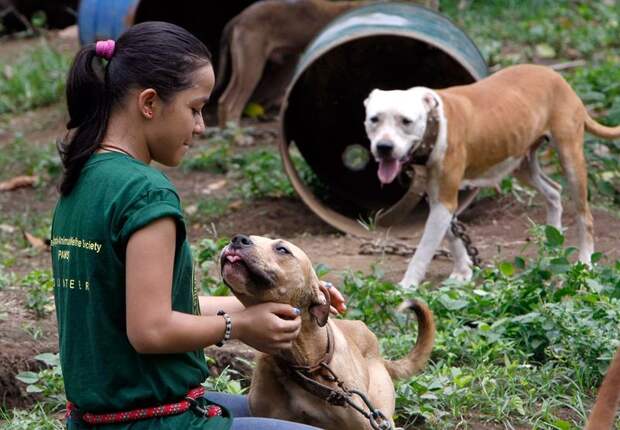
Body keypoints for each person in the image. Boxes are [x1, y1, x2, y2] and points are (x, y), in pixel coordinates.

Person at [51, 21, 346, 430]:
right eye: (195, 108)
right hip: (155, 421)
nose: (201, 126)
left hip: (99, 417)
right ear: (150, 103)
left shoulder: (82, 178)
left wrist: (289, 300)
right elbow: (150, 330)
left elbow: (157, 310)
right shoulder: (145, 193)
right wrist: (238, 326)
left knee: (272, 410)